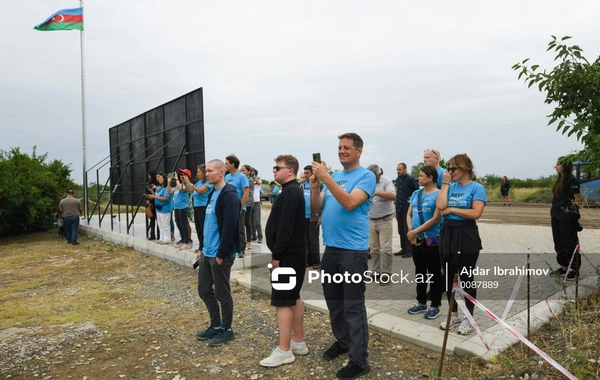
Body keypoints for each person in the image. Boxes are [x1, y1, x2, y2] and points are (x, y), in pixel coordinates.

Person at [310, 132, 375, 380]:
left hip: (353, 253)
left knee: (353, 307)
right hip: (332, 251)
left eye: (347, 147)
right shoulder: (335, 177)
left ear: (359, 151)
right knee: (334, 303)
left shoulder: (366, 176)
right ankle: (344, 341)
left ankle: (359, 360)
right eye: (339, 147)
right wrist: (317, 187)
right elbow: (317, 208)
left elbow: (350, 202)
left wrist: (327, 178)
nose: (342, 151)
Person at [260, 155, 308, 367]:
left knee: (282, 302)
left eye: (277, 168)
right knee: (294, 297)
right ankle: (298, 342)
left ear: (290, 170)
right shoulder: (292, 190)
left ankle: (284, 350)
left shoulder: (290, 193)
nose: (273, 171)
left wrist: (277, 256)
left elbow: (286, 228)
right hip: (294, 255)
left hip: (287, 256)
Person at [436, 153, 487, 336]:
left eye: (453, 168)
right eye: (448, 168)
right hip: (448, 232)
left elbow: (476, 213)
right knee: (448, 276)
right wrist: (445, 184)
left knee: (466, 277)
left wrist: (452, 209)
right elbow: (441, 206)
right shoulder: (449, 186)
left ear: (464, 168)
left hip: (466, 234)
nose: (449, 172)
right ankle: (454, 315)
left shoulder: (477, 188)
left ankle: (469, 317)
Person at [195, 159, 239, 346]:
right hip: (207, 252)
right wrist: (202, 247)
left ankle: (227, 329)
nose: (207, 174)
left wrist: (221, 253)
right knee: (204, 290)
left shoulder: (229, 195)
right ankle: (215, 325)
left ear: (222, 172)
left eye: (211, 171)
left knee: (222, 293)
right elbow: (208, 224)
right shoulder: (213, 193)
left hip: (221, 254)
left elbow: (230, 227)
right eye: (206, 171)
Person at [406, 165, 443, 319]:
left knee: (434, 273)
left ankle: (435, 304)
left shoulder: (439, 195)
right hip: (416, 240)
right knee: (420, 271)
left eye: (421, 176)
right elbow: (409, 213)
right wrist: (410, 231)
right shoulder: (416, 193)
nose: (418, 178)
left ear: (430, 178)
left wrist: (415, 231)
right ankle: (421, 302)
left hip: (432, 240)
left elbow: (436, 218)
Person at [550, 158, 582, 281]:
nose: (556, 166)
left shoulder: (572, 180)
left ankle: (574, 269)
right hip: (556, 215)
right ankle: (563, 266)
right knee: (558, 241)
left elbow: (577, 200)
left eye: (558, 164)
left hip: (567, 217)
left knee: (569, 242)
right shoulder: (559, 180)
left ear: (565, 166)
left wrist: (569, 212)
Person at [366, 164, 396, 285]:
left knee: (386, 249)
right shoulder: (366, 182)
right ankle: (376, 272)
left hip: (385, 220)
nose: (373, 178)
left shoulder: (386, 181)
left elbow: (393, 195)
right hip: (371, 220)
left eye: (375, 176)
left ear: (380, 174)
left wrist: (377, 192)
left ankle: (386, 274)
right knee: (374, 249)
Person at [183, 164, 213, 253]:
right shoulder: (199, 182)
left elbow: (200, 191)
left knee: (204, 228)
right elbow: (191, 190)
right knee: (198, 228)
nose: (198, 173)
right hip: (196, 207)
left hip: (203, 207)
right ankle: (201, 246)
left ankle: (205, 246)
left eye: (199, 172)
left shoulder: (208, 182)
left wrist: (189, 183)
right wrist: (185, 183)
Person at [225, 155, 249, 258]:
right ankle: (231, 248)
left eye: (227, 163)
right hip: (228, 208)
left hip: (239, 208)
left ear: (233, 164)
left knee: (239, 229)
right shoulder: (226, 177)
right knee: (229, 228)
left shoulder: (242, 176)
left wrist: (240, 206)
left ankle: (241, 249)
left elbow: (246, 192)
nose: (225, 165)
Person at [394, 163, 419, 258]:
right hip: (399, 207)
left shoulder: (410, 179)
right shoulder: (397, 180)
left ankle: (409, 250)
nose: (398, 172)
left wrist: (412, 198)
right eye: (397, 170)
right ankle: (403, 248)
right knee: (400, 229)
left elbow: (417, 190)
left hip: (407, 207)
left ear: (405, 169)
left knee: (406, 229)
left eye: (400, 169)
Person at [302, 165, 322, 269]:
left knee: (313, 240)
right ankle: (307, 260)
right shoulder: (302, 186)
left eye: (307, 173)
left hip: (314, 217)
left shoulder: (318, 185)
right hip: (303, 217)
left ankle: (316, 261)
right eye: (304, 173)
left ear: (312, 174)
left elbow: (323, 202)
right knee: (305, 240)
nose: (305, 175)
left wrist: (320, 216)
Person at [147, 172, 173, 245]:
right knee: (160, 224)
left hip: (165, 208)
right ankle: (161, 238)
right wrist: (151, 192)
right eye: (158, 178)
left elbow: (165, 198)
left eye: (160, 177)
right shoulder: (159, 187)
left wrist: (154, 197)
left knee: (166, 224)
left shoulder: (168, 188)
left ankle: (167, 238)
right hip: (158, 208)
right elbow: (156, 195)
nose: (158, 179)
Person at [170, 169, 193, 250]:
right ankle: (183, 240)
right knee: (179, 225)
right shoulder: (177, 185)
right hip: (176, 208)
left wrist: (176, 179)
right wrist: (169, 182)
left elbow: (181, 188)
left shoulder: (186, 185)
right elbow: (170, 191)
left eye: (184, 175)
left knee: (184, 225)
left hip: (183, 207)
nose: (181, 176)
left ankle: (187, 241)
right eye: (180, 175)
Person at [241, 164, 255, 251]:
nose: (242, 172)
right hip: (243, 202)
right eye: (241, 170)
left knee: (247, 222)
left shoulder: (249, 180)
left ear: (249, 171)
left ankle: (248, 241)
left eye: (244, 170)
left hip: (248, 203)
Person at [146, 170, 159, 240]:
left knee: (157, 220)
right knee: (152, 220)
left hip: (155, 202)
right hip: (150, 202)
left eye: (149, 175)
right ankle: (152, 234)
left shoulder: (157, 185)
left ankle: (158, 235)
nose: (148, 177)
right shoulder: (150, 183)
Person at [252, 168, 264, 243]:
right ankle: (253, 235)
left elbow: (258, 183)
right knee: (251, 221)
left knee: (257, 221)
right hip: (250, 202)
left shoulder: (258, 181)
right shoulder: (248, 180)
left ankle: (260, 236)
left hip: (256, 202)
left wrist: (254, 176)